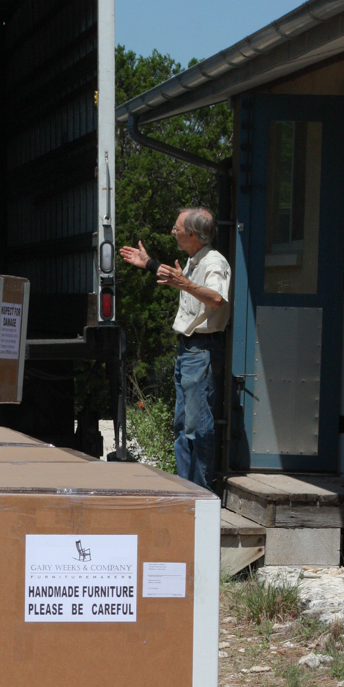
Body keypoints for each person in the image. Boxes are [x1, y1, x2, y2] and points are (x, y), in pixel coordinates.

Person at [120, 207, 230, 490]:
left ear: (192, 234)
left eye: (176, 228)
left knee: (197, 426)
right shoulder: (196, 259)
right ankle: (185, 489)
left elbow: (217, 298)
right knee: (182, 426)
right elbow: (180, 279)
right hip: (188, 350)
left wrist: (184, 282)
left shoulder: (214, 262)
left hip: (201, 349)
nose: (173, 232)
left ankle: (201, 493)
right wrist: (149, 264)